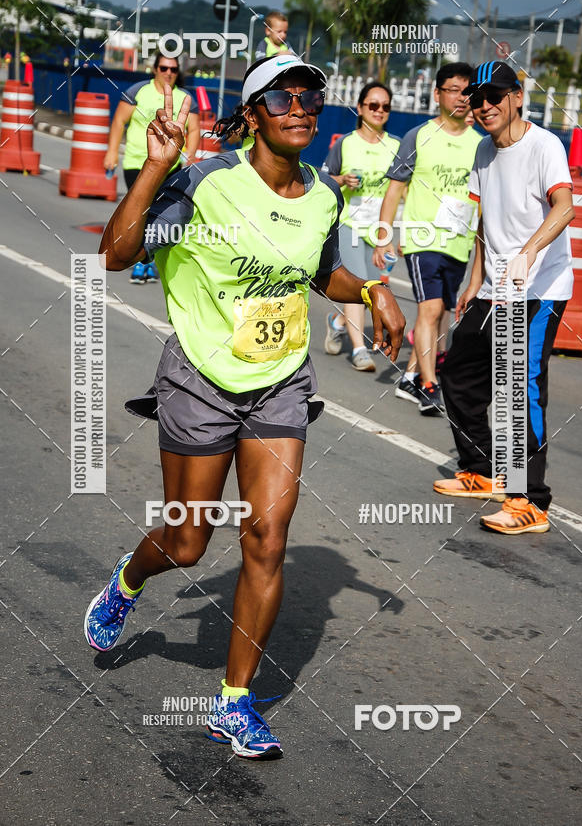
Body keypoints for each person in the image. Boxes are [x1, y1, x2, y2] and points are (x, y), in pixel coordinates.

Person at [84, 54, 405, 758]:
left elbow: (322, 273)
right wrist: (153, 169)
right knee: (188, 541)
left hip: (280, 380)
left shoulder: (321, 194)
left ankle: (234, 703)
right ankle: (129, 580)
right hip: (201, 376)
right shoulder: (205, 183)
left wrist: (374, 290)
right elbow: (116, 253)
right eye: (285, 97)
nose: (302, 108)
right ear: (255, 111)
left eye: (313, 98)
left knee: (267, 536)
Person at [433, 61, 574, 535]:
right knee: (458, 371)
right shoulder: (481, 151)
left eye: (495, 96)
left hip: (539, 287)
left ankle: (529, 500)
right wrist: (474, 280)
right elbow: (483, 223)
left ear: (517, 96)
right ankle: (483, 469)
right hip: (494, 286)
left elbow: (565, 206)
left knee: (518, 384)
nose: (486, 106)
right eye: (478, 99)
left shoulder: (544, 145)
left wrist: (529, 254)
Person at [374, 62, 481, 414]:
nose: (462, 98)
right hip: (423, 239)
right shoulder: (418, 136)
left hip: (460, 242)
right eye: (453, 89)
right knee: (431, 309)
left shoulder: (480, 145)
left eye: (468, 91)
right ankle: (429, 385)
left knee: (442, 315)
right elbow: (394, 190)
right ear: (437, 94)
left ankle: (409, 375)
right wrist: (384, 237)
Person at [322, 82, 402, 371]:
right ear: (360, 108)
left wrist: (391, 234)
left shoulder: (396, 146)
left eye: (385, 107)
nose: (379, 111)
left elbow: (400, 192)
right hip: (349, 224)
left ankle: (338, 321)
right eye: (373, 105)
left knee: (373, 289)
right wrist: (343, 179)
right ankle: (359, 349)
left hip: (379, 228)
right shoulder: (345, 143)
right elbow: (325, 179)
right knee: (361, 284)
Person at [103, 52, 200, 284]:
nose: (168, 73)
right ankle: (138, 263)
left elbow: (194, 129)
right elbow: (119, 121)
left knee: (161, 214)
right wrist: (112, 151)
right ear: (155, 69)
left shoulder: (185, 98)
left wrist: (191, 156)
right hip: (138, 163)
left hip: (172, 166)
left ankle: (150, 258)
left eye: (173, 69)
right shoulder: (138, 92)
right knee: (141, 211)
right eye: (164, 68)